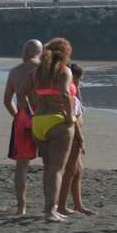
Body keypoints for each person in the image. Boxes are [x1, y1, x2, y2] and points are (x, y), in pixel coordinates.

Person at [19, 37, 76, 222]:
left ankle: (48, 208)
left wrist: (30, 114)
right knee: (57, 169)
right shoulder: (64, 70)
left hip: (39, 122)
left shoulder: (36, 73)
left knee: (48, 168)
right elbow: (65, 94)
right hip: (57, 121)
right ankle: (50, 211)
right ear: (65, 53)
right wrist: (70, 116)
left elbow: (20, 93)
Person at [3, 39, 43, 215]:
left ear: (24, 52)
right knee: (51, 163)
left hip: (22, 118)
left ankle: (21, 207)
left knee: (22, 165)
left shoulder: (14, 72)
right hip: (43, 115)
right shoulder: (44, 69)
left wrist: (18, 115)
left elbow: (7, 100)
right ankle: (52, 205)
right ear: (40, 52)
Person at [57, 63, 97, 216]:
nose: (80, 82)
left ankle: (78, 204)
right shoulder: (68, 91)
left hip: (74, 134)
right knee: (70, 170)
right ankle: (61, 205)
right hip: (72, 134)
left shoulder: (72, 92)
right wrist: (80, 137)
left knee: (78, 170)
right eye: (79, 79)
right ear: (72, 77)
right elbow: (72, 117)